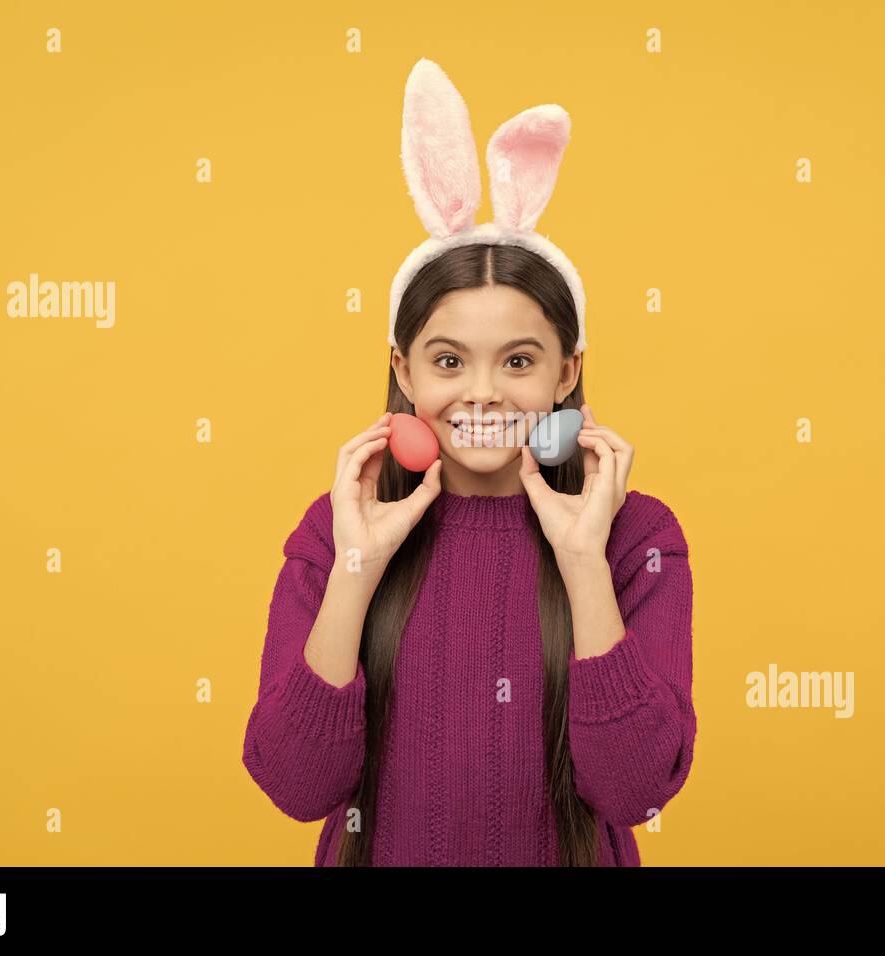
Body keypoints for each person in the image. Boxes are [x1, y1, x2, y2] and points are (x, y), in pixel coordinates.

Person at [240, 58, 696, 866]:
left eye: (518, 362)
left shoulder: (638, 536)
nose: (482, 393)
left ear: (566, 373)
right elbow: (297, 787)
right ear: (403, 368)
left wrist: (583, 560)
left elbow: (635, 792)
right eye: (449, 362)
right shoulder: (336, 528)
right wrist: (357, 564)